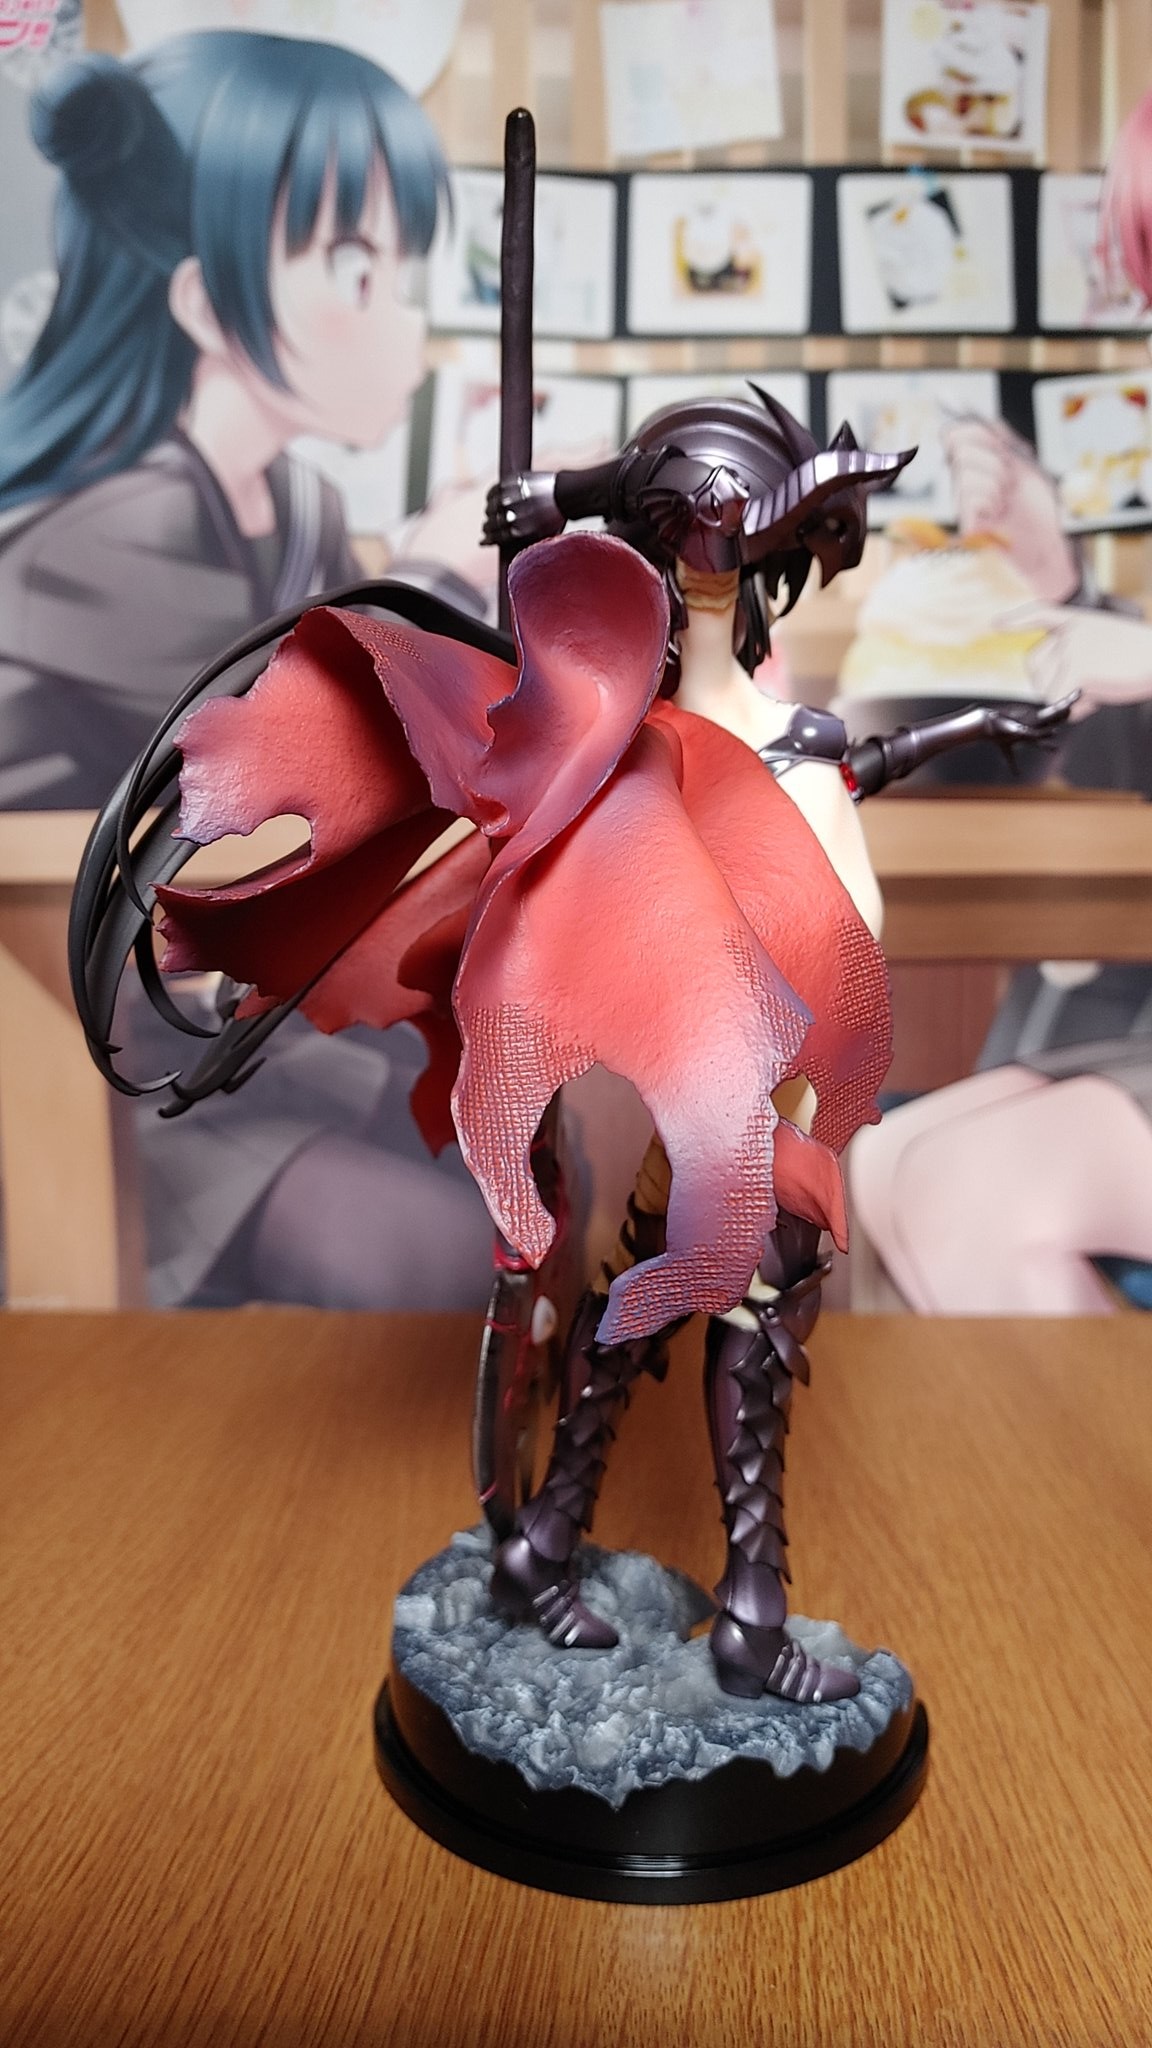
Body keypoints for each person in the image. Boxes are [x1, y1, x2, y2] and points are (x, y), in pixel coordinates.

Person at [0, 32, 495, 1308]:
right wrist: (439, 581)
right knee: (441, 1250)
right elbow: (296, 756)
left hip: (226, 1007)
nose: (406, 319)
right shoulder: (102, 530)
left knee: (535, 1147)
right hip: (74, 1061)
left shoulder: (298, 505)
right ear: (204, 306)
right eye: (358, 270)